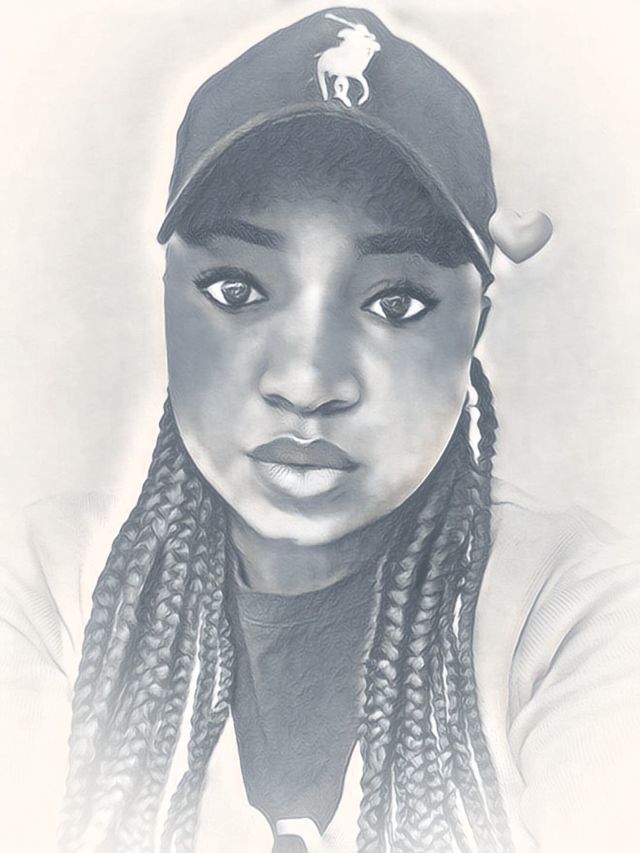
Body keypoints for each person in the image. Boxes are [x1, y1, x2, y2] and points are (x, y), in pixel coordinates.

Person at [1, 7, 639, 853]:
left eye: (395, 303)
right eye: (236, 290)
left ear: (474, 329)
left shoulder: (582, 618)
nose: (306, 383)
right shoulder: (49, 585)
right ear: (168, 300)